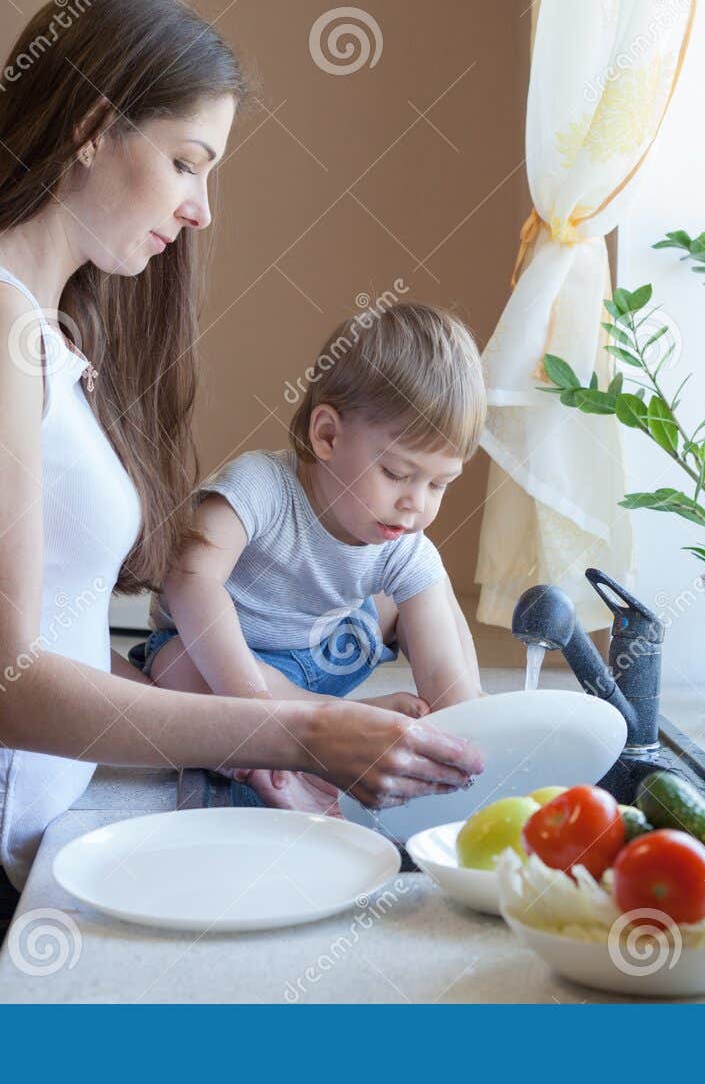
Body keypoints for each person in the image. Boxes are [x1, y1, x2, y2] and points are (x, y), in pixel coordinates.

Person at [0, 0, 481, 1005]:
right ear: (94, 129)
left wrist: (181, 686)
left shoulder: (36, 330)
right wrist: (298, 728)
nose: (201, 209)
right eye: (188, 163)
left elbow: (43, 625)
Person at [131, 303, 487, 813]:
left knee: (430, 586)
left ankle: (337, 719)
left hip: (324, 653)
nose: (416, 503)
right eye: (397, 473)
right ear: (326, 435)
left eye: (440, 484)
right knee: (174, 673)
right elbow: (189, 578)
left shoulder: (403, 541)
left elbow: (444, 682)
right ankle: (310, 734)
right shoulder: (259, 486)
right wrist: (255, 711)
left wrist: (465, 732)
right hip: (227, 657)